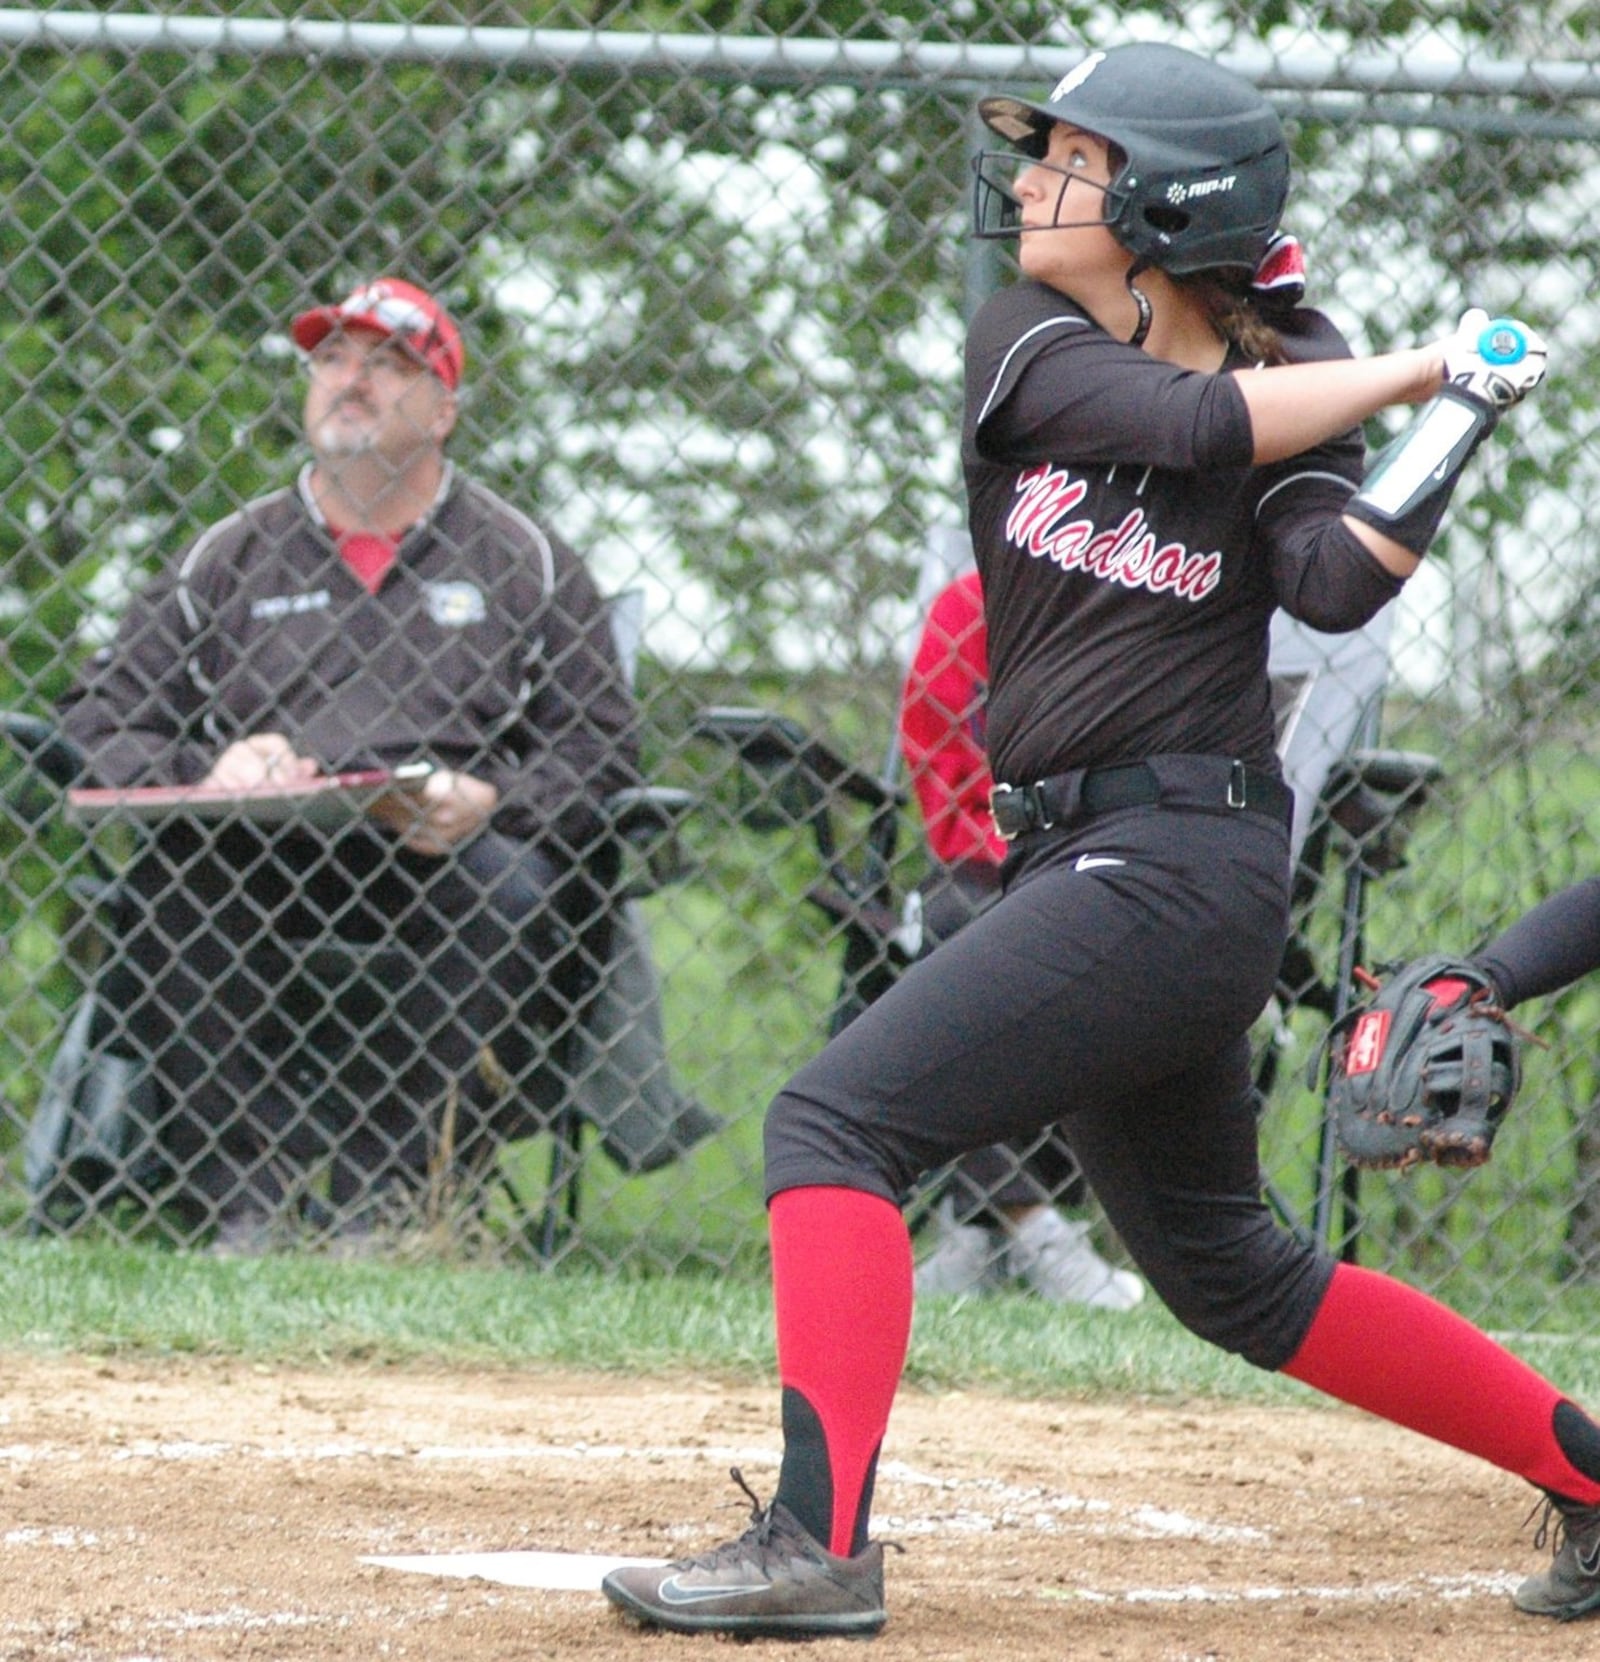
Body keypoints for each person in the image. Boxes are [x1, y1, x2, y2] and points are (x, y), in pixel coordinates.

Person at [599, 42, 1600, 1640]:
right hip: (1082, 864)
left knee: (834, 1122)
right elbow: (1183, 424)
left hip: (1183, 862)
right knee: (1236, 1276)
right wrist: (1424, 369)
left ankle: (816, 1543)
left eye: (1070, 160)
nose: (1030, 184)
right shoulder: (1033, 339)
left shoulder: (1300, 360)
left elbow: (1335, 581)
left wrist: (1456, 421)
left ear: (1164, 201)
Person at [58, 276, 699, 1252]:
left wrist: (494, 797)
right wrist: (219, 765)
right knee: (166, 885)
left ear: (443, 408)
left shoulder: (526, 560)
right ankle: (246, 1198)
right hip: (263, 860)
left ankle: (387, 1200)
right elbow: (99, 725)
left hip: (447, 860)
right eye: (332, 360)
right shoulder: (226, 557)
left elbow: (602, 753)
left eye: (389, 365)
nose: (350, 382)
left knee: (518, 890)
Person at [900, 567, 1143, 1309]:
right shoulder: (969, 604)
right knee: (948, 937)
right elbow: (942, 771)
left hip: (1113, 855)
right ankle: (1035, 1232)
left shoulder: (1142, 597)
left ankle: (982, 1232)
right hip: (988, 860)